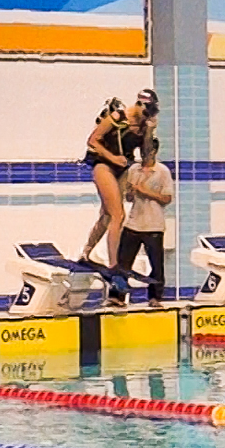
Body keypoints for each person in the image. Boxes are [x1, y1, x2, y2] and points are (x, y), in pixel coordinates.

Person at [79, 88, 158, 267]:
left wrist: (148, 132)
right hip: (104, 165)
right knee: (118, 215)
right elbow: (93, 140)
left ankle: (86, 252)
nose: (145, 116)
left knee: (107, 215)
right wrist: (113, 157)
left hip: (122, 169)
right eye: (144, 112)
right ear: (138, 105)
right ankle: (115, 264)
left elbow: (146, 156)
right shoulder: (118, 117)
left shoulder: (144, 126)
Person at [110, 139, 174, 307]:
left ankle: (155, 297)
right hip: (134, 223)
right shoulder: (134, 170)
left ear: (154, 152)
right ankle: (117, 296)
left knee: (156, 265)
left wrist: (145, 192)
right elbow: (129, 198)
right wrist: (131, 193)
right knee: (123, 262)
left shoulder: (162, 172)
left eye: (148, 150)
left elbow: (167, 198)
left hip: (154, 225)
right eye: (142, 150)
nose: (144, 154)